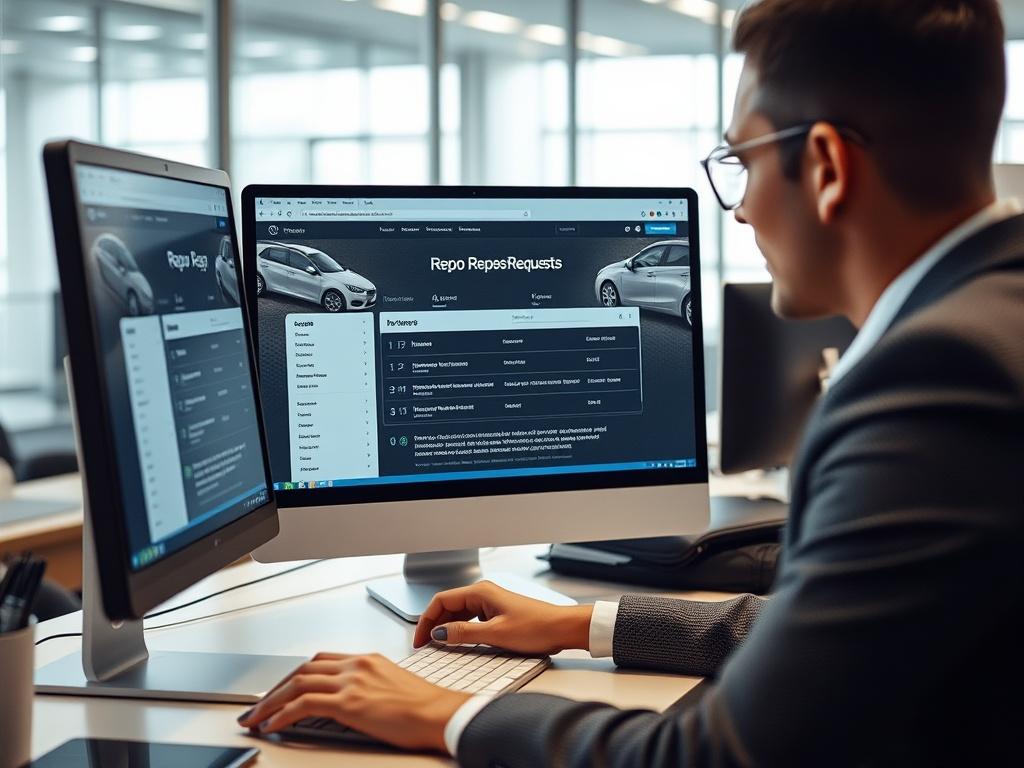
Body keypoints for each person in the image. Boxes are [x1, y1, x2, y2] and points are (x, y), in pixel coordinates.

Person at [238, 0, 1024, 764]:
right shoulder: (996, 318)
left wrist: (453, 714)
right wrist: (582, 623)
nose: (741, 210)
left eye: (741, 162)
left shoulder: (940, 381)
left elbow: (724, 752)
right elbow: (841, 631)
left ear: (825, 165)